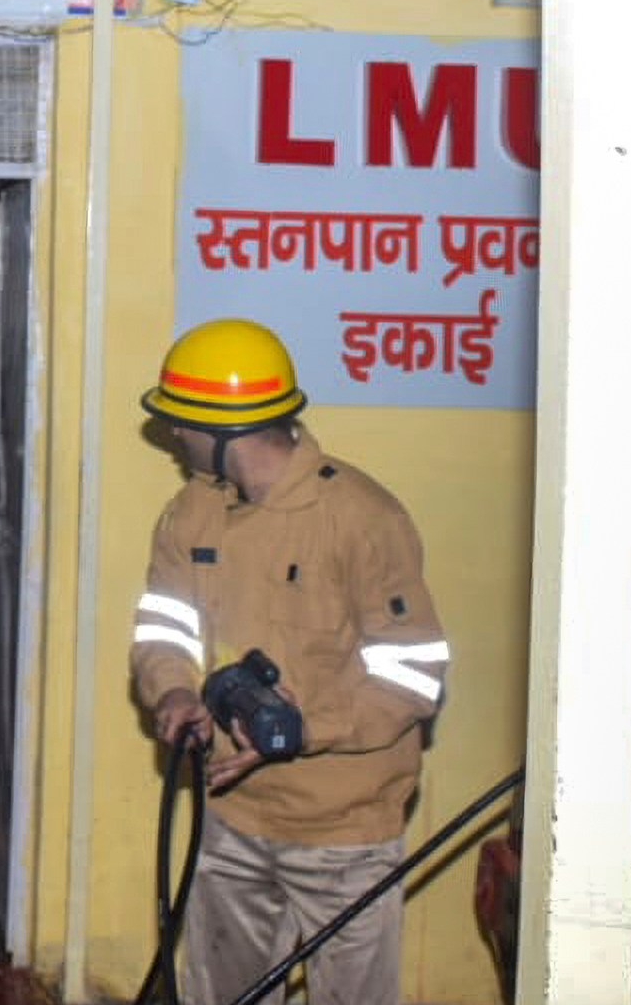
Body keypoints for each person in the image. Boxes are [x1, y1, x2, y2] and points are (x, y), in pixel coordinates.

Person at [128, 320, 450, 1005]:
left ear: (220, 428)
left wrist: (306, 728)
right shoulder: (191, 514)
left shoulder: (359, 517)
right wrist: (172, 694)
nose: (175, 438)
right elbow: (163, 627)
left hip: (346, 832)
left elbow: (413, 674)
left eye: (180, 425)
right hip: (234, 815)